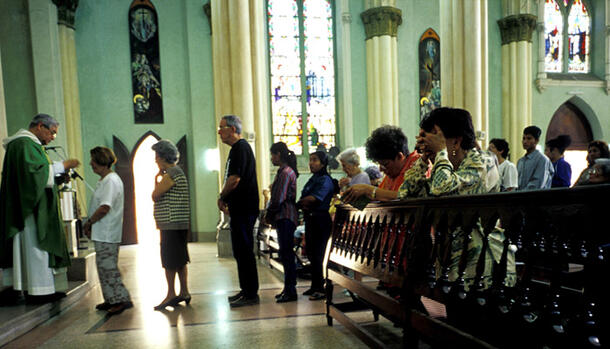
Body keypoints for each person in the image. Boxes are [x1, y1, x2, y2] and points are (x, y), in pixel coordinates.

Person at [343, 108, 512, 292]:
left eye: (434, 138)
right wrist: (423, 158)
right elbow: (406, 193)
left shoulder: (482, 162)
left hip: (480, 265)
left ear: (455, 141)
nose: (427, 144)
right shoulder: (445, 166)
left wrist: (440, 152)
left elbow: (441, 189)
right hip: (450, 261)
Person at [0, 114, 80, 303]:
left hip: (33, 206)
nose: (53, 138)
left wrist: (59, 178)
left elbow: (39, 175)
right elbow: (33, 175)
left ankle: (37, 289)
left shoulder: (30, 144)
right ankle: (38, 291)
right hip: (29, 212)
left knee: (36, 249)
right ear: (40, 126)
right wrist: (62, 165)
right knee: (36, 247)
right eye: (52, 133)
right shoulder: (24, 144)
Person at [83, 146, 133, 315]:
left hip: (107, 232)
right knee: (103, 267)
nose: (91, 164)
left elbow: (105, 207)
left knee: (108, 267)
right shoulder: (104, 180)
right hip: (102, 232)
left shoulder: (111, 181)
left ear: (102, 162)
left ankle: (120, 299)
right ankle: (111, 298)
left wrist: (89, 222)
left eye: (93, 160)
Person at [217, 115, 260, 308]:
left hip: (244, 208)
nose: (219, 132)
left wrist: (222, 196)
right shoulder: (237, 149)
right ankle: (246, 290)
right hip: (241, 209)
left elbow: (234, 179)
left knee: (244, 250)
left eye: (222, 128)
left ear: (233, 129)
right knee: (240, 251)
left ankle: (251, 294)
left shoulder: (241, 148)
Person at [151, 140, 191, 310]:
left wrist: (158, 177)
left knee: (169, 261)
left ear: (161, 156)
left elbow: (155, 194)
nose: (155, 160)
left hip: (171, 224)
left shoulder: (172, 173)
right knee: (180, 259)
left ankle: (171, 294)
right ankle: (184, 291)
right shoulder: (177, 171)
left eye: (156, 156)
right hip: (178, 223)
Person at [298, 151, 337, 301]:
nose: (311, 163)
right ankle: (315, 285)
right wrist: (303, 202)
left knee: (320, 254)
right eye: (310, 160)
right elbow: (304, 198)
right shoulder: (313, 179)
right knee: (312, 254)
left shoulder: (325, 180)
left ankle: (322, 288)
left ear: (323, 163)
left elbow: (313, 199)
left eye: (315, 160)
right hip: (311, 219)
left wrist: (303, 203)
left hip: (320, 219)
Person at [265, 142, 299, 303]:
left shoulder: (286, 172)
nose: (271, 158)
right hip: (282, 217)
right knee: (285, 254)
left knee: (287, 254)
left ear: (279, 154)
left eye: (273, 154)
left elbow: (278, 198)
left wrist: (269, 214)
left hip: (286, 216)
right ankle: (287, 288)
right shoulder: (283, 172)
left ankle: (291, 290)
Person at [365, 126, 423, 192]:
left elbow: (405, 197)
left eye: (385, 164)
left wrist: (370, 191)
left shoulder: (418, 166)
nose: (380, 169)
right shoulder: (392, 173)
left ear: (399, 156)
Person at [516, 126, 554, 190]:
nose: (525, 141)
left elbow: (537, 184)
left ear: (536, 141)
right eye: (523, 138)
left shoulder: (542, 160)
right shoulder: (520, 161)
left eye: (529, 138)